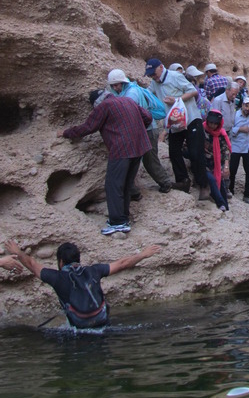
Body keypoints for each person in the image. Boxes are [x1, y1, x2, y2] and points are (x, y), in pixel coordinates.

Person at [6, 239, 160, 329]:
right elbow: (122, 264)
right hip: (101, 325)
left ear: (60, 262)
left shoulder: (57, 278)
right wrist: (143, 254)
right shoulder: (94, 271)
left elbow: (32, 265)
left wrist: (18, 252)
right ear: (78, 259)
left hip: (79, 329)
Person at [57, 90, 152, 235]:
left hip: (121, 149)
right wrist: (135, 128)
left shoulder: (104, 106)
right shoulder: (127, 100)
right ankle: (123, 218)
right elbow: (148, 117)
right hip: (139, 146)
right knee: (126, 184)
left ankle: (117, 222)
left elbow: (88, 127)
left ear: (95, 103)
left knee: (113, 185)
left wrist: (66, 132)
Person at [107, 69, 176, 195]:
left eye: (117, 85)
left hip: (147, 130)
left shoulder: (131, 93)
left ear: (122, 83)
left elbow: (126, 112)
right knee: (135, 160)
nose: (115, 88)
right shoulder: (126, 92)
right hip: (141, 130)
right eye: (113, 85)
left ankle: (165, 183)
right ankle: (133, 189)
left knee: (149, 160)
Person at [145, 58, 207, 197]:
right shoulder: (155, 83)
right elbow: (147, 94)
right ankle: (183, 181)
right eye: (150, 75)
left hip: (191, 119)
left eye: (154, 73)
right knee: (174, 152)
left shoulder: (175, 76)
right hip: (175, 123)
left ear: (161, 67)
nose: (153, 77)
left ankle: (203, 185)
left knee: (196, 153)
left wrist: (177, 100)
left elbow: (193, 91)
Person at [230, 97, 249, 204]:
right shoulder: (234, 115)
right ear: (242, 105)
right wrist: (240, 129)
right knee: (232, 171)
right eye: (246, 105)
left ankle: (247, 195)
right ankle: (230, 191)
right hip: (235, 147)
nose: (247, 108)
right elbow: (229, 130)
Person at [202, 109, 231, 211]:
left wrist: (226, 166)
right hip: (203, 164)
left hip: (216, 164)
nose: (212, 125)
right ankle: (221, 204)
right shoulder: (201, 130)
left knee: (221, 183)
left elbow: (225, 150)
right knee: (212, 179)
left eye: (215, 123)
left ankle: (226, 207)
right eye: (211, 122)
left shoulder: (221, 134)